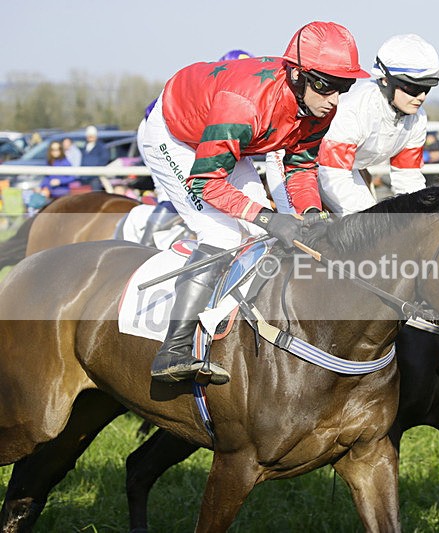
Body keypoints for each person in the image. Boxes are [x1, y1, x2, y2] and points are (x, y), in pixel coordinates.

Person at [140, 21, 369, 385]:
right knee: (223, 233)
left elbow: (301, 165)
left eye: (345, 87)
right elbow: (206, 183)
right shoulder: (245, 105)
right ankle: (174, 348)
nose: (335, 99)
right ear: (297, 76)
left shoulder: (320, 105)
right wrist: (267, 217)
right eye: (327, 86)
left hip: (235, 137)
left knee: (260, 233)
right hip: (176, 136)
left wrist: (309, 211)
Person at [308, 33, 439, 215]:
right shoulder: (355, 108)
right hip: (307, 167)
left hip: (347, 170)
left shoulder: (418, 118)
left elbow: (407, 177)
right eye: (413, 88)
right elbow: (333, 175)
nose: (421, 97)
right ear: (385, 80)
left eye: (427, 88)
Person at [135, 49, 255, 247]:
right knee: (174, 193)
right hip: (157, 129)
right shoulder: (213, 90)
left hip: (191, 134)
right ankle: (144, 245)